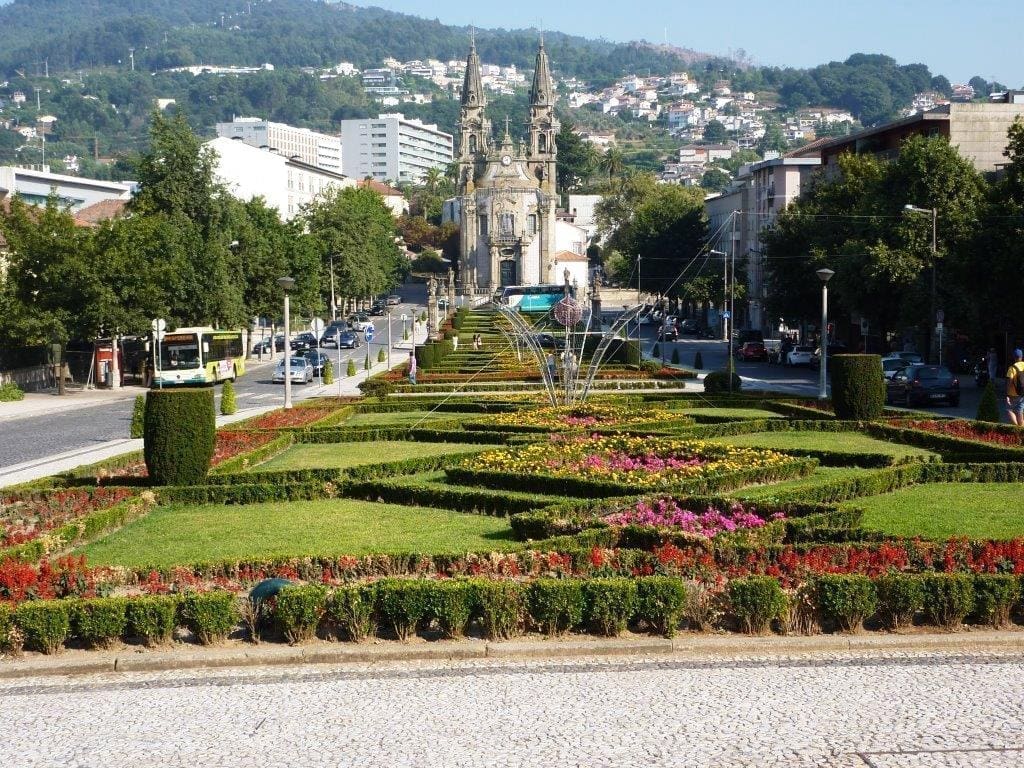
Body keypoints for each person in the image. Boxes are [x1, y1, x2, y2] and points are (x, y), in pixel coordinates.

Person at [1005, 348, 1024, 426]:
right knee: (1020, 411)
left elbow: (1009, 381)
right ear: (1021, 357)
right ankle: (1022, 431)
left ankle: (1016, 428)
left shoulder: (1012, 368)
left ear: (1014, 357)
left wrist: (1007, 394)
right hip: (1023, 394)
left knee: (1009, 409)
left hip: (1014, 394)